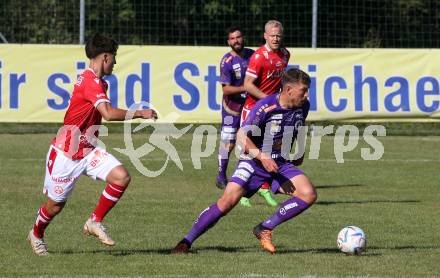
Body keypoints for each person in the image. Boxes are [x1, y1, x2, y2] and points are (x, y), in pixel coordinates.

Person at [27, 34, 158, 256]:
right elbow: (107, 113)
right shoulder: (90, 81)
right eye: (114, 58)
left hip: (87, 150)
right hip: (66, 154)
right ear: (105, 57)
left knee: (121, 177)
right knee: (55, 206)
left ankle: (94, 221)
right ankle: (36, 234)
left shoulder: (98, 82)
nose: (115, 62)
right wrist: (140, 113)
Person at [172, 68, 317, 255]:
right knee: (226, 203)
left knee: (308, 194)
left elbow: (299, 127)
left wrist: (300, 150)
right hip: (253, 162)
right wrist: (262, 157)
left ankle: (265, 227)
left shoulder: (302, 106)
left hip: (279, 163)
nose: (306, 95)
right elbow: (241, 135)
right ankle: (186, 241)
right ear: (288, 90)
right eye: (303, 90)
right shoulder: (266, 106)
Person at [240, 19, 291, 207]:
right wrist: (267, 100)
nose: (276, 39)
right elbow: (247, 85)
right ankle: (243, 191)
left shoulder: (285, 55)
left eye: (278, 35)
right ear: (265, 36)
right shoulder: (259, 57)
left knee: (271, 149)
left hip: (273, 111)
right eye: (272, 35)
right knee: (248, 150)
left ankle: (262, 187)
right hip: (254, 109)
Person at [216, 26, 254, 191]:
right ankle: (221, 175)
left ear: (243, 38)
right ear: (228, 42)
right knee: (228, 143)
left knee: (250, 142)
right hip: (232, 108)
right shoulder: (227, 61)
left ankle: (247, 178)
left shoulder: (253, 55)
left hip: (250, 107)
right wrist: (246, 88)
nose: (236, 41)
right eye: (232, 38)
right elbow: (226, 89)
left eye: (238, 37)